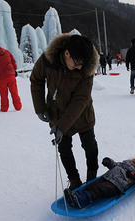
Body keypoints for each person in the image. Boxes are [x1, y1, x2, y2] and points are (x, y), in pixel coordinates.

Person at [30, 34, 100, 190]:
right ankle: (74, 180)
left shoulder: (86, 67)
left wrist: (61, 126)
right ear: (66, 53)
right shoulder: (48, 60)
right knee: (64, 149)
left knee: (90, 146)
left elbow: (81, 99)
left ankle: (92, 177)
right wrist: (40, 107)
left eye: (82, 65)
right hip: (58, 113)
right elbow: (36, 80)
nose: (79, 68)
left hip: (82, 114)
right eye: (76, 64)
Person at [64, 154, 135, 208]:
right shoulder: (125, 163)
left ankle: (80, 199)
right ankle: (76, 197)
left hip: (115, 186)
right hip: (106, 178)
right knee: (92, 185)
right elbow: (115, 165)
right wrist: (109, 162)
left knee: (98, 189)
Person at [0, 44, 22, 112]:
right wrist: (14, 69)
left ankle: (4, 108)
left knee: (3, 93)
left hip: (1, 78)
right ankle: (18, 106)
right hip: (11, 75)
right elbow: (13, 61)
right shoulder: (7, 52)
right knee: (14, 91)